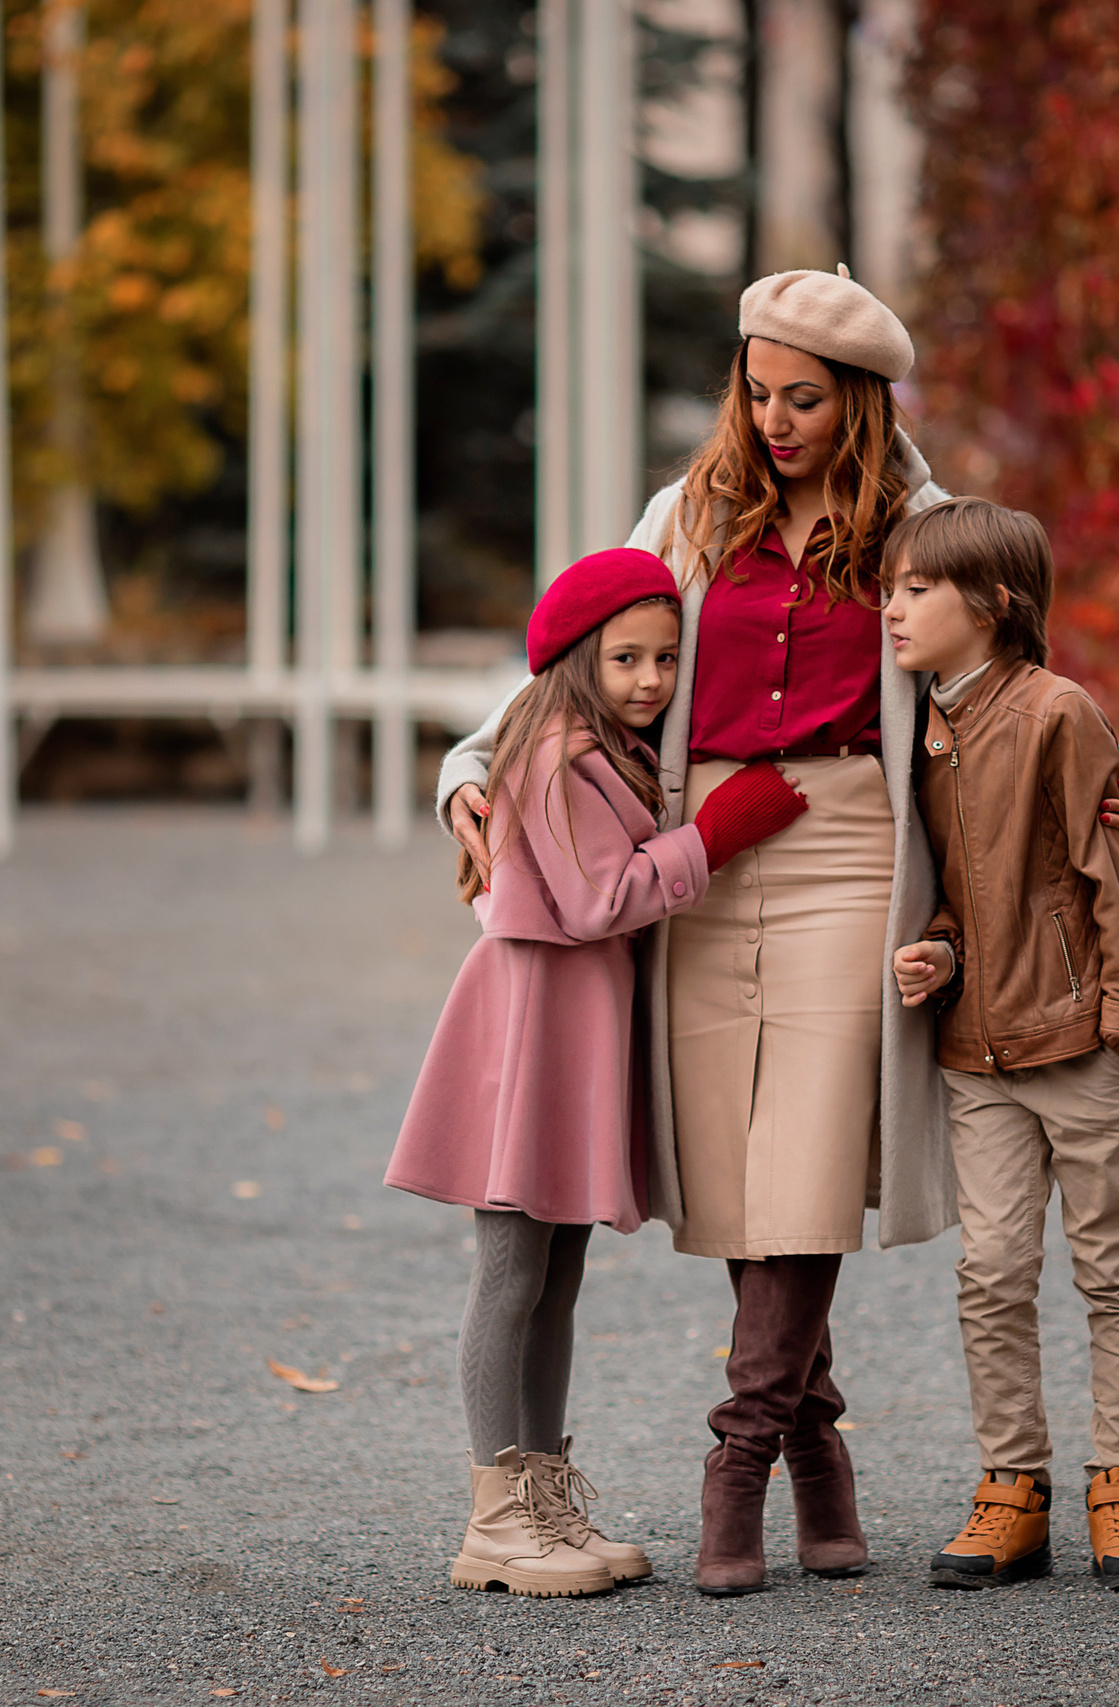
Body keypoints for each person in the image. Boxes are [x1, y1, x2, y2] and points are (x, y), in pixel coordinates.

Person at [437, 267, 1119, 1595]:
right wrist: (468, 768)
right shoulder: (690, 513)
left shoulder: (920, 527)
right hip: (699, 851)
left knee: (814, 1151)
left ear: (864, 403)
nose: (774, 421)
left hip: (849, 848)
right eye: (758, 392)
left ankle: (742, 1455)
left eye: (806, 400)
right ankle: (817, 1445)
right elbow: (579, 651)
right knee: (736, 1162)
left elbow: (1018, 675)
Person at [387, 547, 813, 1598]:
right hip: (530, 1028)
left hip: (572, 1029)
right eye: (626, 658)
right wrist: (712, 837)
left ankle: (541, 1496)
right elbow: (594, 901)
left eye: (667, 658)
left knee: (557, 1276)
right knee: (510, 1274)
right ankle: (494, 1519)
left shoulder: (608, 747)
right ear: (576, 658)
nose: (651, 679)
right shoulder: (554, 751)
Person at [885, 497, 1119, 1592]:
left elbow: (1114, 875)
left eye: (917, 589)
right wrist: (940, 952)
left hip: (1081, 1041)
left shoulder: (1058, 712)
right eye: (891, 588)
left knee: (1114, 1266)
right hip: (978, 1053)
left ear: (993, 605)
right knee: (992, 1271)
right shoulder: (920, 728)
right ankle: (1013, 1489)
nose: (893, 608)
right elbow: (962, 890)